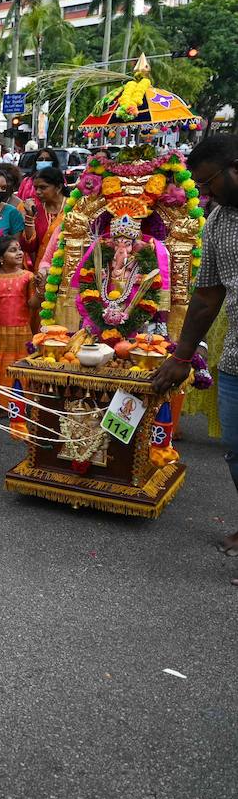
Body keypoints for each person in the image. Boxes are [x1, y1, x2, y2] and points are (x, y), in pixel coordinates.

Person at [157, 134, 238, 564]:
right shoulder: (219, 222)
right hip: (236, 361)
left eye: (208, 183)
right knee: (236, 452)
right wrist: (181, 356)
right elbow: (207, 296)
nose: (204, 194)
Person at [0, 236, 37, 393]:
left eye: (19, 249)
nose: (19, 253)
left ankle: (18, 403)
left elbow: (33, 304)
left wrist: (40, 291)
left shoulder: (28, 276)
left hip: (21, 332)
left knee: (18, 367)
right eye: (13, 250)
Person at [30, 167, 67, 276]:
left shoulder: (74, 208)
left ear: (59, 187)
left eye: (43, 187)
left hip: (67, 269)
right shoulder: (36, 210)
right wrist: (29, 218)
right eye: (35, 188)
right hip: (42, 271)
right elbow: (30, 247)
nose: (37, 192)